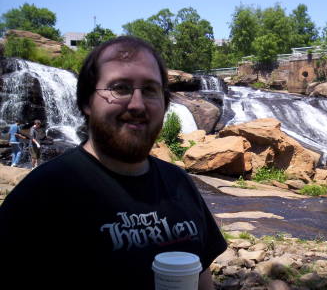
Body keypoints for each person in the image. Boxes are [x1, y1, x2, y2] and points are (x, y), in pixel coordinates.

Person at [0, 36, 227, 289]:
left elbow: (202, 279)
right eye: (120, 88)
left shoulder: (180, 183)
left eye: (151, 90)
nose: (137, 104)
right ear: (86, 102)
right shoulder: (39, 196)